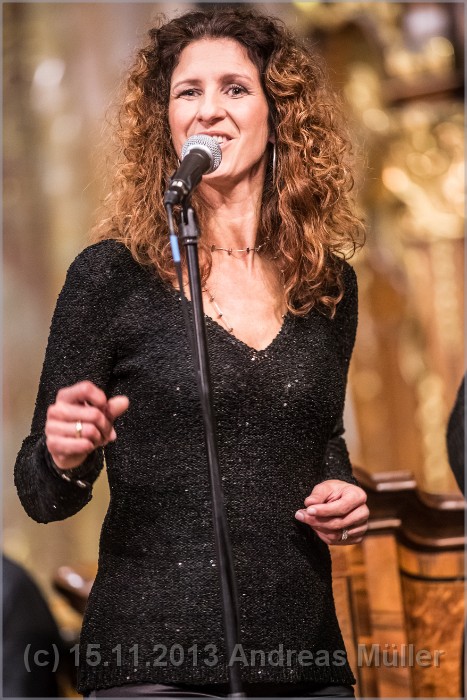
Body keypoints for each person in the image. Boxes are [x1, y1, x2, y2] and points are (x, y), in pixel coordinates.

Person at [14, 7, 369, 698]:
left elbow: (319, 434)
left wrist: (342, 490)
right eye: (188, 92)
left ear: (278, 114)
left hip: (305, 660)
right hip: (152, 662)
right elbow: (39, 493)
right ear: (166, 123)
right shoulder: (111, 277)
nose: (209, 109)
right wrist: (63, 454)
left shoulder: (327, 286)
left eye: (234, 88)